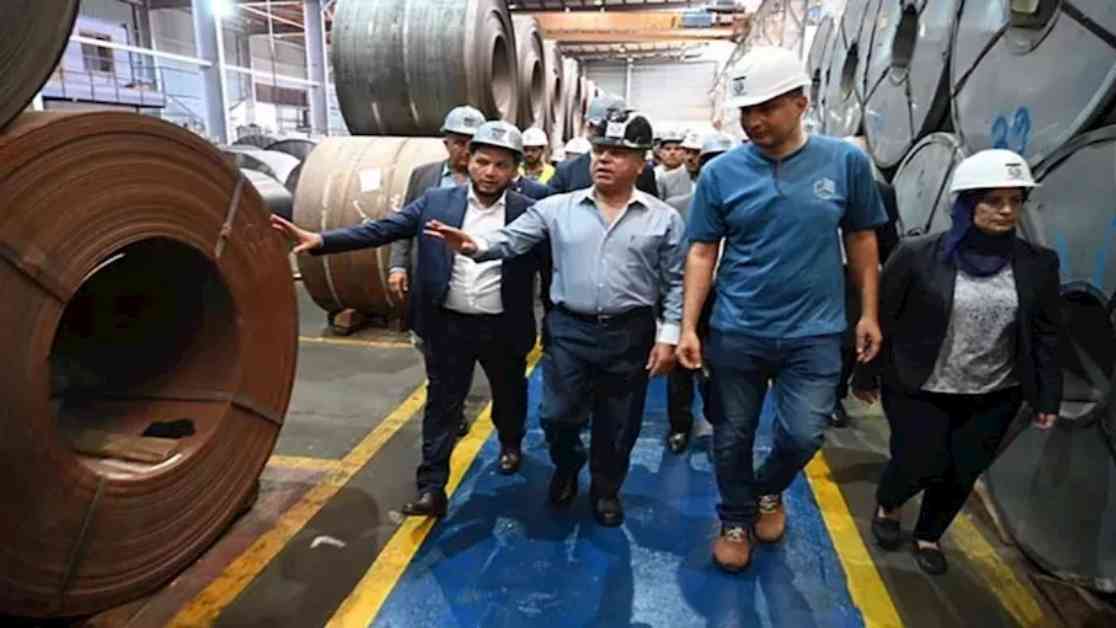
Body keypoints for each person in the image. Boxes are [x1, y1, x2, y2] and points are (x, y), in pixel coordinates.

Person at [675, 47, 887, 573]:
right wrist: (688, 326)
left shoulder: (845, 164)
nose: (754, 121)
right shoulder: (721, 173)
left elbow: (862, 239)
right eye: (746, 110)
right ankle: (735, 517)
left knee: (803, 434)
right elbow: (702, 252)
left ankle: (768, 490)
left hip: (815, 332)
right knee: (732, 435)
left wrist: (868, 313)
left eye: (766, 108)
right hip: (738, 328)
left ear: (801, 103)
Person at [271, 122, 547, 518]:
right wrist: (322, 240)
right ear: (468, 160)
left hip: (503, 326)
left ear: (515, 169)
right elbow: (384, 229)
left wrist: (554, 319)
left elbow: (550, 265)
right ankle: (431, 488)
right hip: (448, 324)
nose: (490, 172)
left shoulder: (531, 210)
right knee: (442, 406)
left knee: (509, 396)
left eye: (501, 165)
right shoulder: (437, 201)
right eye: (483, 161)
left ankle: (510, 442)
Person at [426, 109, 685, 528]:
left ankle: (605, 489)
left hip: (629, 332)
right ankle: (567, 464)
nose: (604, 159)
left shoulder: (664, 219)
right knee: (556, 415)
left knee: (618, 422)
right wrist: (473, 246)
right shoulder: (556, 209)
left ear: (641, 163)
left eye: (618, 152)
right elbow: (510, 239)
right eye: (600, 150)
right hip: (570, 329)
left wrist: (669, 335)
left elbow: (675, 281)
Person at [857, 149, 1062, 575]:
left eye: (1015, 200)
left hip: (994, 392)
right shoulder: (917, 255)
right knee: (917, 460)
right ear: (967, 204)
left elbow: (1045, 333)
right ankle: (890, 503)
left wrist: (1048, 396)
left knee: (962, 470)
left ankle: (929, 533)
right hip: (920, 383)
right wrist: (865, 373)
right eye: (993, 200)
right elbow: (882, 319)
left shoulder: (1038, 264)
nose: (1006, 210)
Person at [388, 105, 485, 438]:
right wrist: (398, 265)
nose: (465, 150)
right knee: (429, 346)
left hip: (468, 282)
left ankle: (453, 408)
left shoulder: (488, 181)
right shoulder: (423, 176)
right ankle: (444, 398)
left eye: (472, 143)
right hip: (429, 283)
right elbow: (403, 225)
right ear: (446, 143)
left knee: (462, 354)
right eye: (459, 142)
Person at [663, 131, 736, 454]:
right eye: (708, 162)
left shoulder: (749, 207)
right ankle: (679, 425)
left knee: (723, 367)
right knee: (681, 367)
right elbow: (667, 260)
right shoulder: (677, 208)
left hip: (731, 299)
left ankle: (717, 418)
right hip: (688, 294)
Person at [831, 136, 901, 428]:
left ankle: (834, 396)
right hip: (819, 272)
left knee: (849, 340)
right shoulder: (816, 189)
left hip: (855, 272)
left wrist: (887, 271)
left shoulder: (880, 193)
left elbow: (887, 238)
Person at [549, 95, 658, 197]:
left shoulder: (643, 171)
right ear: (588, 127)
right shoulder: (567, 170)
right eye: (599, 128)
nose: (604, 135)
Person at [657, 129, 695, 200]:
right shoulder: (654, 174)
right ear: (660, 152)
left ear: (684, 152)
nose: (672, 152)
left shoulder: (692, 173)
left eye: (677, 148)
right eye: (667, 149)